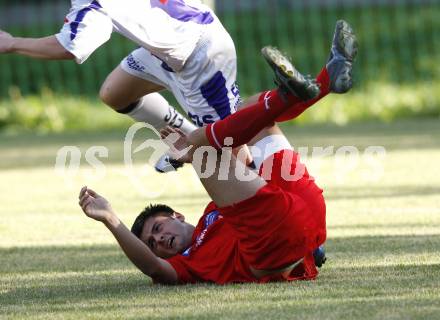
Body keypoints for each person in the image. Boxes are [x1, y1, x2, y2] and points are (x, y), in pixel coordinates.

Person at [78, 20, 358, 284]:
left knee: (245, 111)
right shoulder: (188, 265)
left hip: (303, 211)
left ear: (177, 215)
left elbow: (243, 158)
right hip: (276, 244)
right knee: (202, 145)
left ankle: (325, 81)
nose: (160, 240)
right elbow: (154, 268)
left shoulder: (215, 211)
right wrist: (111, 219)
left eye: (158, 228)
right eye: (153, 244)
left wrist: (196, 148)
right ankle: (294, 94)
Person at [0, 0, 248, 172]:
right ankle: (185, 137)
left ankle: (267, 204)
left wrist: (11, 43)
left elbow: (70, 46)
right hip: (167, 49)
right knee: (115, 93)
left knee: (232, 156)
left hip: (200, 56)